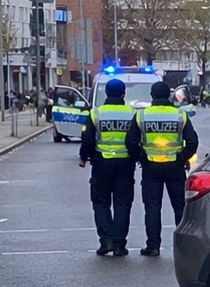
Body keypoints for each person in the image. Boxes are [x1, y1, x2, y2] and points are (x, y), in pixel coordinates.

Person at [125, 81, 199, 258]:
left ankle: (153, 246)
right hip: (175, 167)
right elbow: (192, 142)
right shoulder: (180, 115)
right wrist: (181, 157)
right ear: (169, 96)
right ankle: (183, 247)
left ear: (152, 96)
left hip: (151, 167)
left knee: (152, 207)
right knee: (180, 207)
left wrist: (142, 157)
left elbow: (130, 142)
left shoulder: (141, 116)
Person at [77, 78, 138, 257]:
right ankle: (119, 245)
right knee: (122, 204)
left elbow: (88, 139)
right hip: (125, 164)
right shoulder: (132, 113)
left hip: (102, 163)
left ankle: (106, 240)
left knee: (101, 202)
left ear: (106, 93)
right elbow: (135, 140)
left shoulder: (96, 113)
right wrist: (137, 157)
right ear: (123, 94)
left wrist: (83, 157)